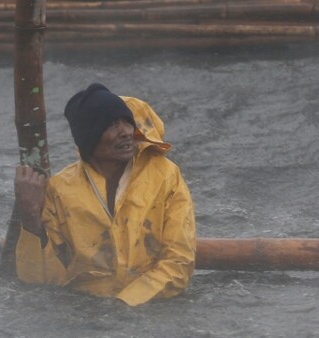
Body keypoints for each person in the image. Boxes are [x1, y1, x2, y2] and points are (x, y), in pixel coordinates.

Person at [13, 83, 196, 306]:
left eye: (127, 122)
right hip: (84, 310)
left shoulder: (165, 176)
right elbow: (41, 282)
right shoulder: (60, 189)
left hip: (152, 307)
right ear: (89, 137)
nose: (126, 132)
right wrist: (30, 216)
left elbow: (179, 261)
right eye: (111, 125)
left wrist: (125, 303)